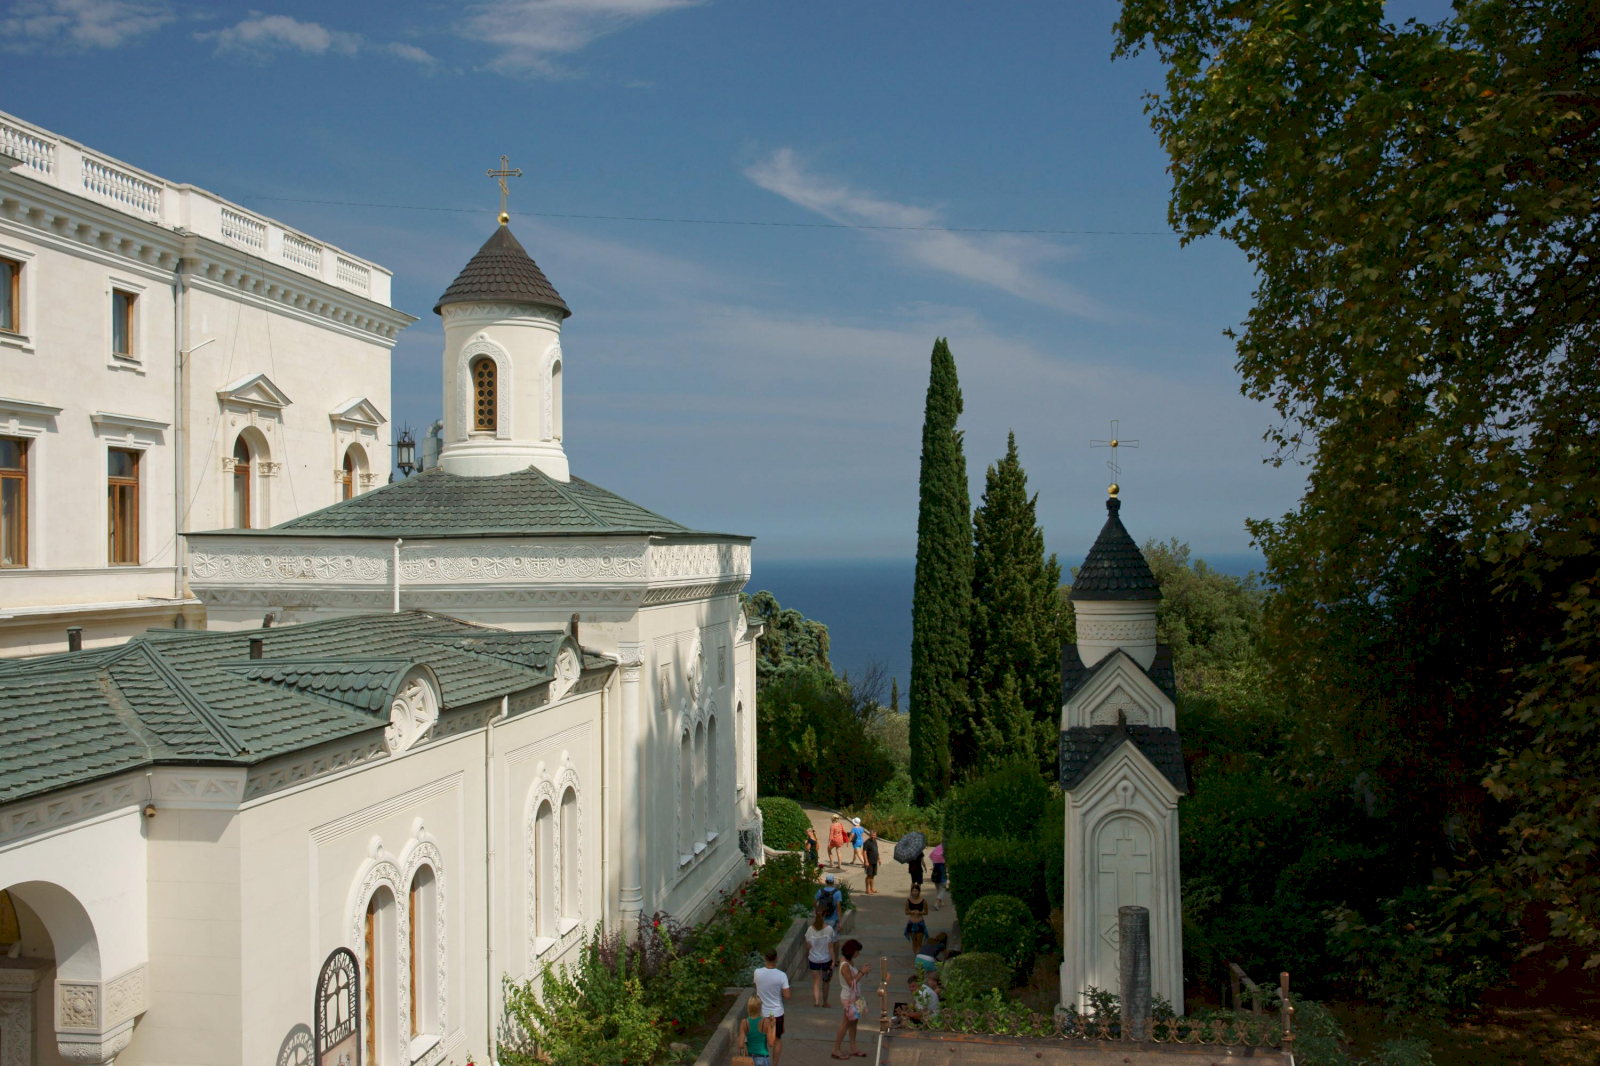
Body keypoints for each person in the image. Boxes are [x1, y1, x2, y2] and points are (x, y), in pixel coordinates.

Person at [831, 938, 872, 1059]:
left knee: (854, 1022)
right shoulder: (844, 965)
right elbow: (851, 983)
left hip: (856, 996)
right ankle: (836, 1048)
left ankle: (853, 1047)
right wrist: (862, 973)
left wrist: (860, 971)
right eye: (857, 951)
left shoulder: (849, 962)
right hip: (849, 997)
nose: (858, 954)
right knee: (846, 1023)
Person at [753, 948, 791, 1066]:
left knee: (761, 1038)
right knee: (777, 1039)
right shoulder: (782, 976)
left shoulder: (757, 972)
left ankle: (762, 1062)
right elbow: (787, 995)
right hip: (777, 1012)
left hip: (761, 1012)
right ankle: (774, 1064)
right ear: (777, 959)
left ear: (765, 958)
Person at [806, 906, 839, 1007]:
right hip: (826, 959)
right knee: (826, 981)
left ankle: (816, 1002)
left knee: (816, 981)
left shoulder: (810, 930)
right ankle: (825, 1002)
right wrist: (834, 960)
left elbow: (808, 946)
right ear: (825, 915)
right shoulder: (829, 930)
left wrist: (807, 956)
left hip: (813, 959)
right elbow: (830, 947)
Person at [743, 994, 775, 1066]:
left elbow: (739, 1043)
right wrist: (774, 1026)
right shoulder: (765, 1022)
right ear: (760, 1007)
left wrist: (744, 1044)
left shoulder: (744, 1022)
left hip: (749, 1058)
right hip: (763, 1058)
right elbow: (771, 1043)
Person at [904, 885, 929, 958]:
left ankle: (917, 958)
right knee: (914, 942)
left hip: (920, 923)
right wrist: (912, 912)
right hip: (911, 923)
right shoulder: (908, 901)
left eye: (916, 891)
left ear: (919, 892)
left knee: (919, 942)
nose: (914, 893)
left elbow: (926, 912)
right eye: (913, 891)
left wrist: (919, 913)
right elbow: (906, 911)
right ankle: (916, 956)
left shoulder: (923, 901)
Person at [928, 841, 946, 909]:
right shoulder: (944, 859)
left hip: (935, 876)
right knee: (942, 889)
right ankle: (937, 903)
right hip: (942, 876)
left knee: (938, 889)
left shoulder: (935, 859)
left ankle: (940, 902)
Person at [862, 830, 880, 894]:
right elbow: (864, 852)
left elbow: (876, 851)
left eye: (874, 835)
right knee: (869, 875)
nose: (873, 836)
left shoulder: (875, 841)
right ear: (870, 835)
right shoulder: (867, 842)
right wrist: (866, 861)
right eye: (872, 835)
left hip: (875, 861)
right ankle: (867, 890)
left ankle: (872, 888)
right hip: (869, 862)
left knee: (873, 875)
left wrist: (879, 859)